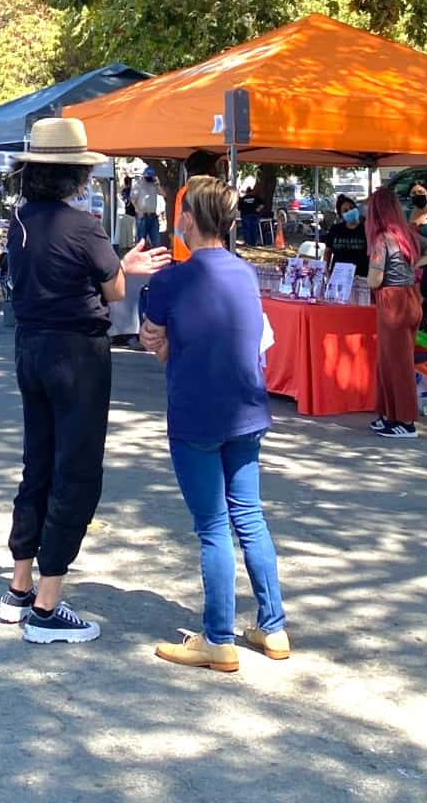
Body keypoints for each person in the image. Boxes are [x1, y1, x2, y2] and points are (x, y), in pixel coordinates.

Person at [0, 117, 170, 644]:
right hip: (76, 353)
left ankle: (20, 585)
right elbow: (114, 289)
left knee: (38, 463)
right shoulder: (83, 226)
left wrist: (119, 265)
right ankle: (47, 606)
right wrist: (129, 265)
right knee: (76, 470)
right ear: (74, 174)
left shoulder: (21, 222)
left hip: (31, 347)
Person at [138, 175, 288, 672]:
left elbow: (152, 337)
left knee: (213, 527)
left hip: (196, 411)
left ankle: (218, 637)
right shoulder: (245, 273)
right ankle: (273, 627)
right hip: (246, 409)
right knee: (250, 516)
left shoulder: (171, 279)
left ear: (189, 220)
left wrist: (164, 344)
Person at [366, 187, 427, 439]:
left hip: (392, 299)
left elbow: (375, 279)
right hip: (410, 297)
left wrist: (371, 277)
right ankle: (389, 413)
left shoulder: (381, 239)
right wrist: (411, 265)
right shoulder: (407, 234)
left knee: (396, 363)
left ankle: (405, 421)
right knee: (393, 360)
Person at [323, 194, 369, 278]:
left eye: (351, 208)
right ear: (341, 215)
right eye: (345, 210)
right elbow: (327, 251)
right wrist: (327, 271)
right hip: (338, 277)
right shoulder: (336, 229)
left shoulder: (367, 229)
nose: (349, 211)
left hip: (361, 278)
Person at [130, 166, 163, 248]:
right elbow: (133, 199)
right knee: (141, 242)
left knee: (156, 241)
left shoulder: (154, 184)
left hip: (153, 215)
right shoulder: (138, 184)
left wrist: (157, 184)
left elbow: (163, 194)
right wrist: (138, 210)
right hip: (142, 216)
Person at [238, 178, 265, 247]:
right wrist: (258, 209)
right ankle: (254, 243)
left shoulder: (243, 199)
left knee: (246, 229)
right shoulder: (255, 197)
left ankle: (248, 243)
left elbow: (239, 208)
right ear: (251, 191)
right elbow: (263, 203)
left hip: (245, 215)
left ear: (246, 192)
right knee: (254, 229)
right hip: (254, 214)